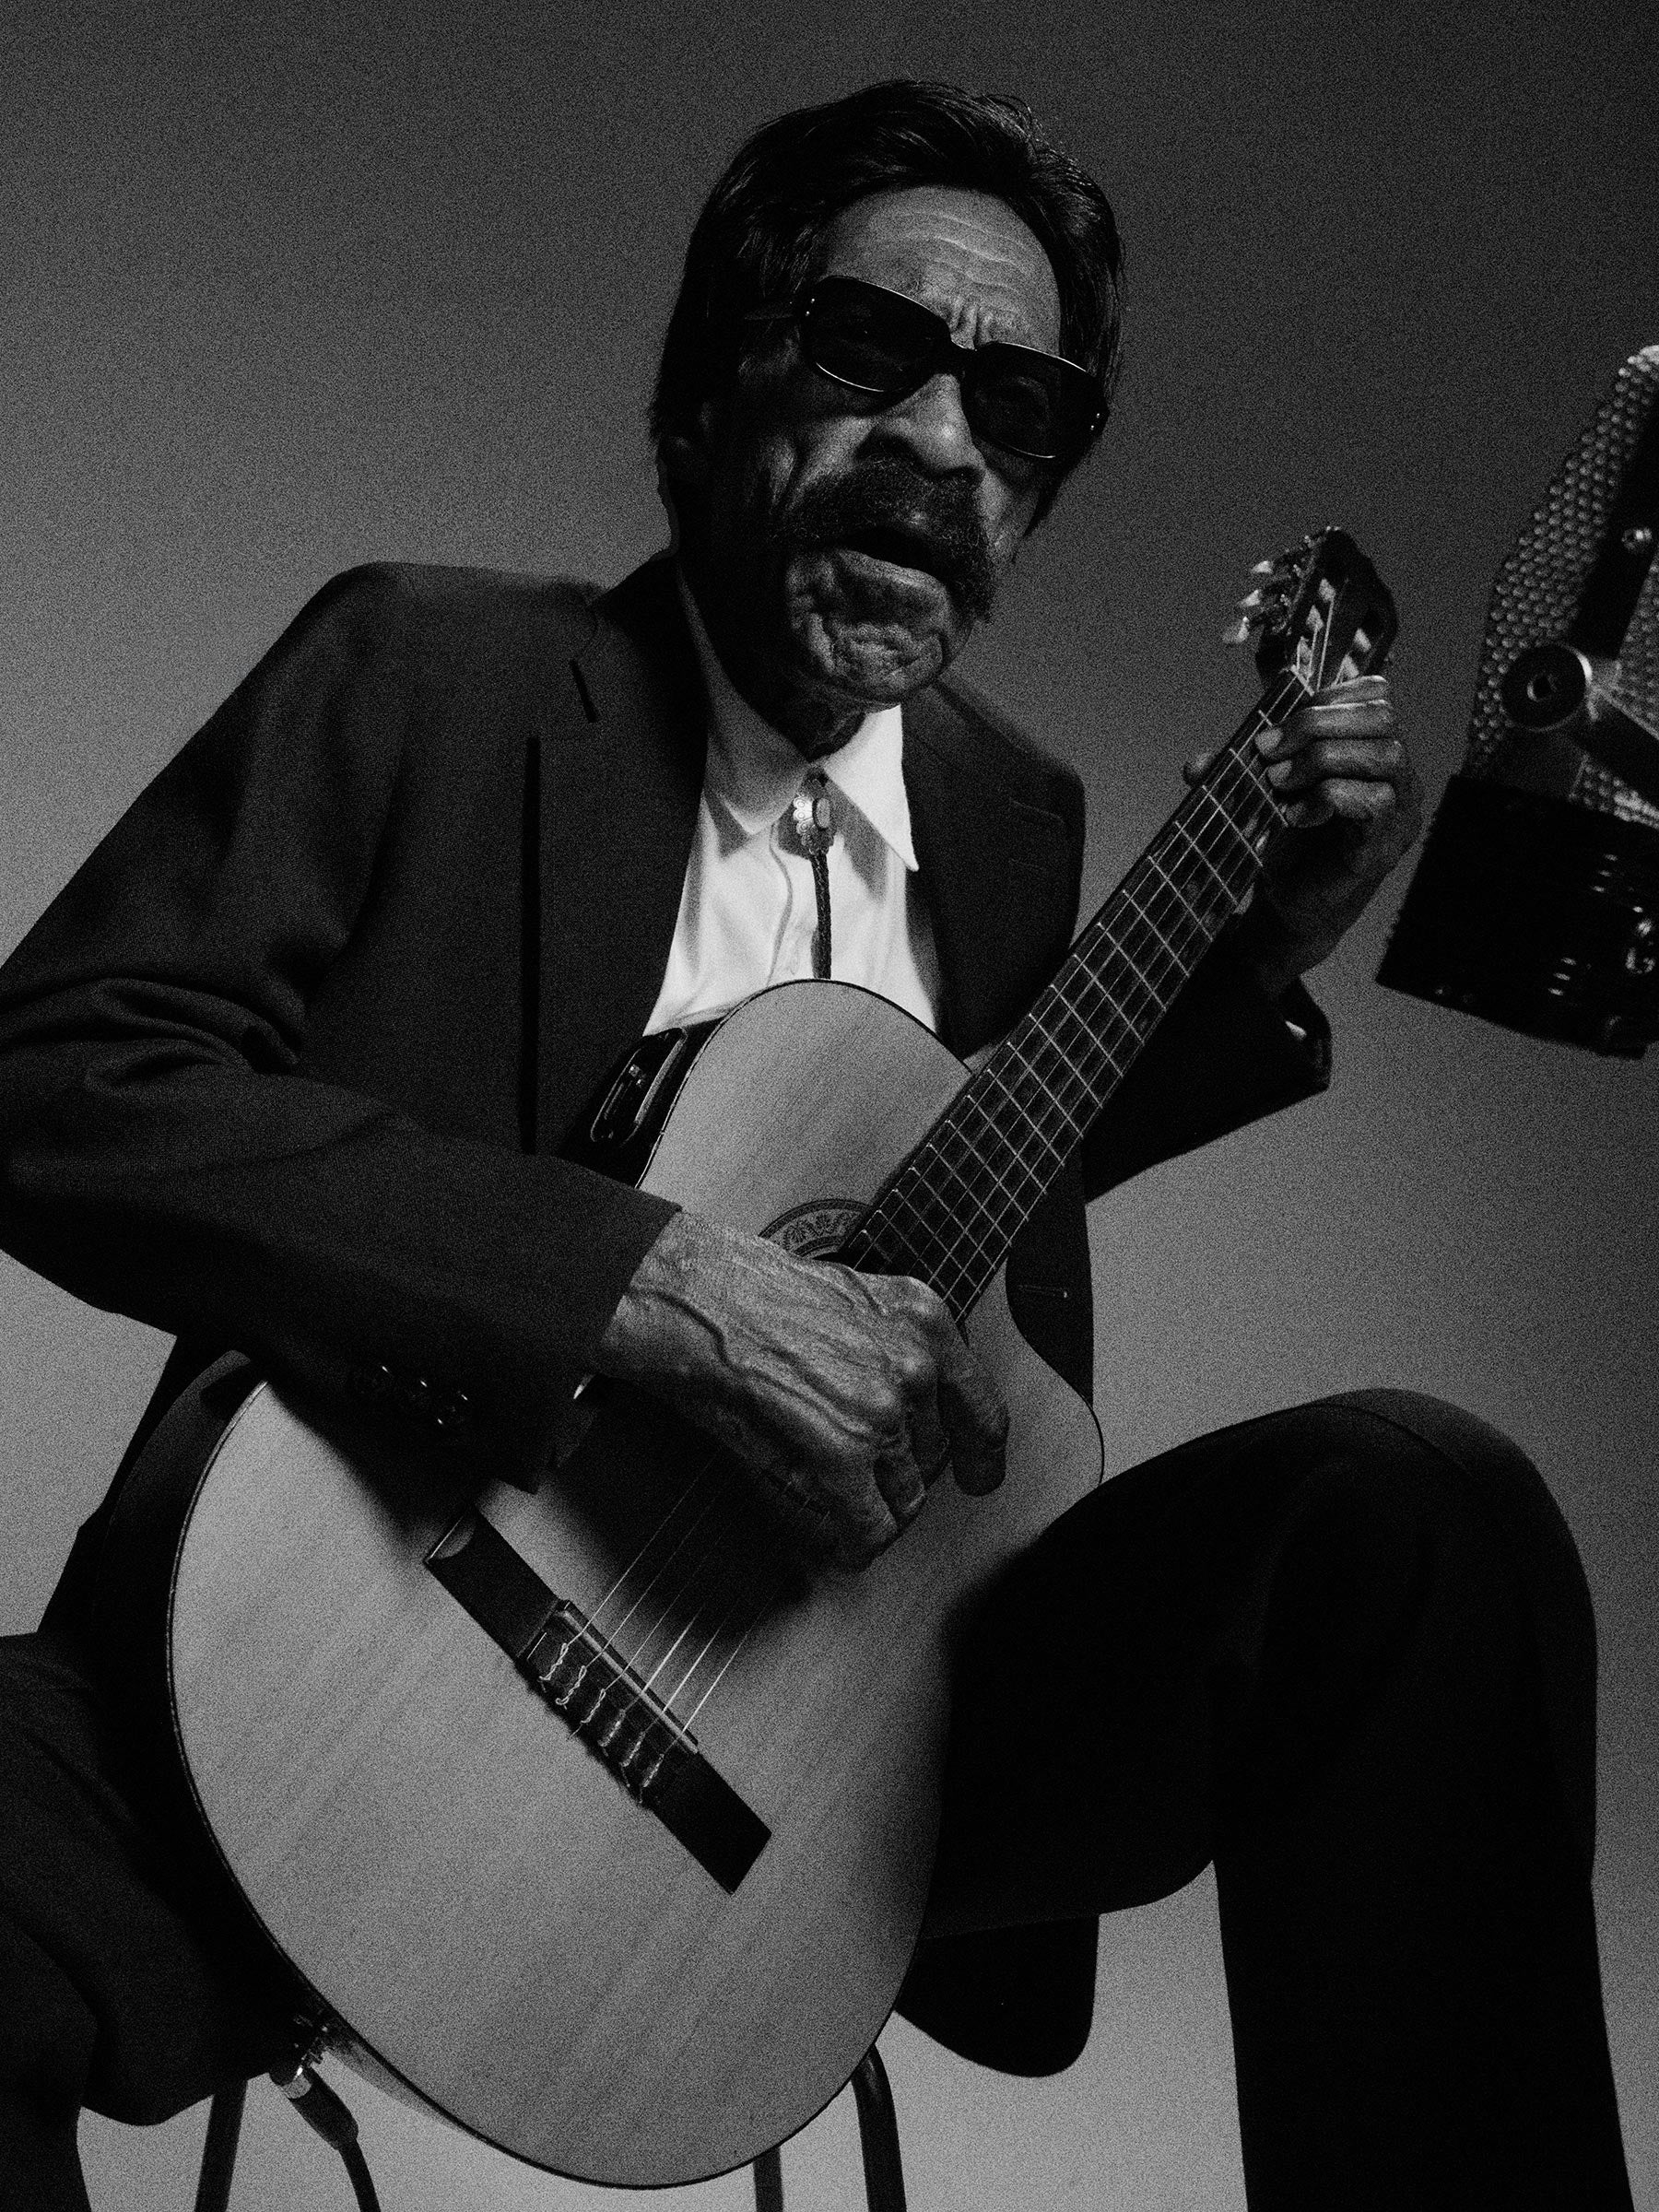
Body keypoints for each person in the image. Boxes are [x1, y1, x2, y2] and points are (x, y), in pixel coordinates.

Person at [0, 76, 1632, 2212]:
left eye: (1017, 410)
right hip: (356, 1648)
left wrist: (1247, 962)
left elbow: (939, 1201)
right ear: (706, 395)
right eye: (871, 352)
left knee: (1415, 1515)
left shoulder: (1009, 816)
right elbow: (65, 1077)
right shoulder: (428, 668)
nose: (943, 444)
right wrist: (659, 1291)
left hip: (823, 1744)